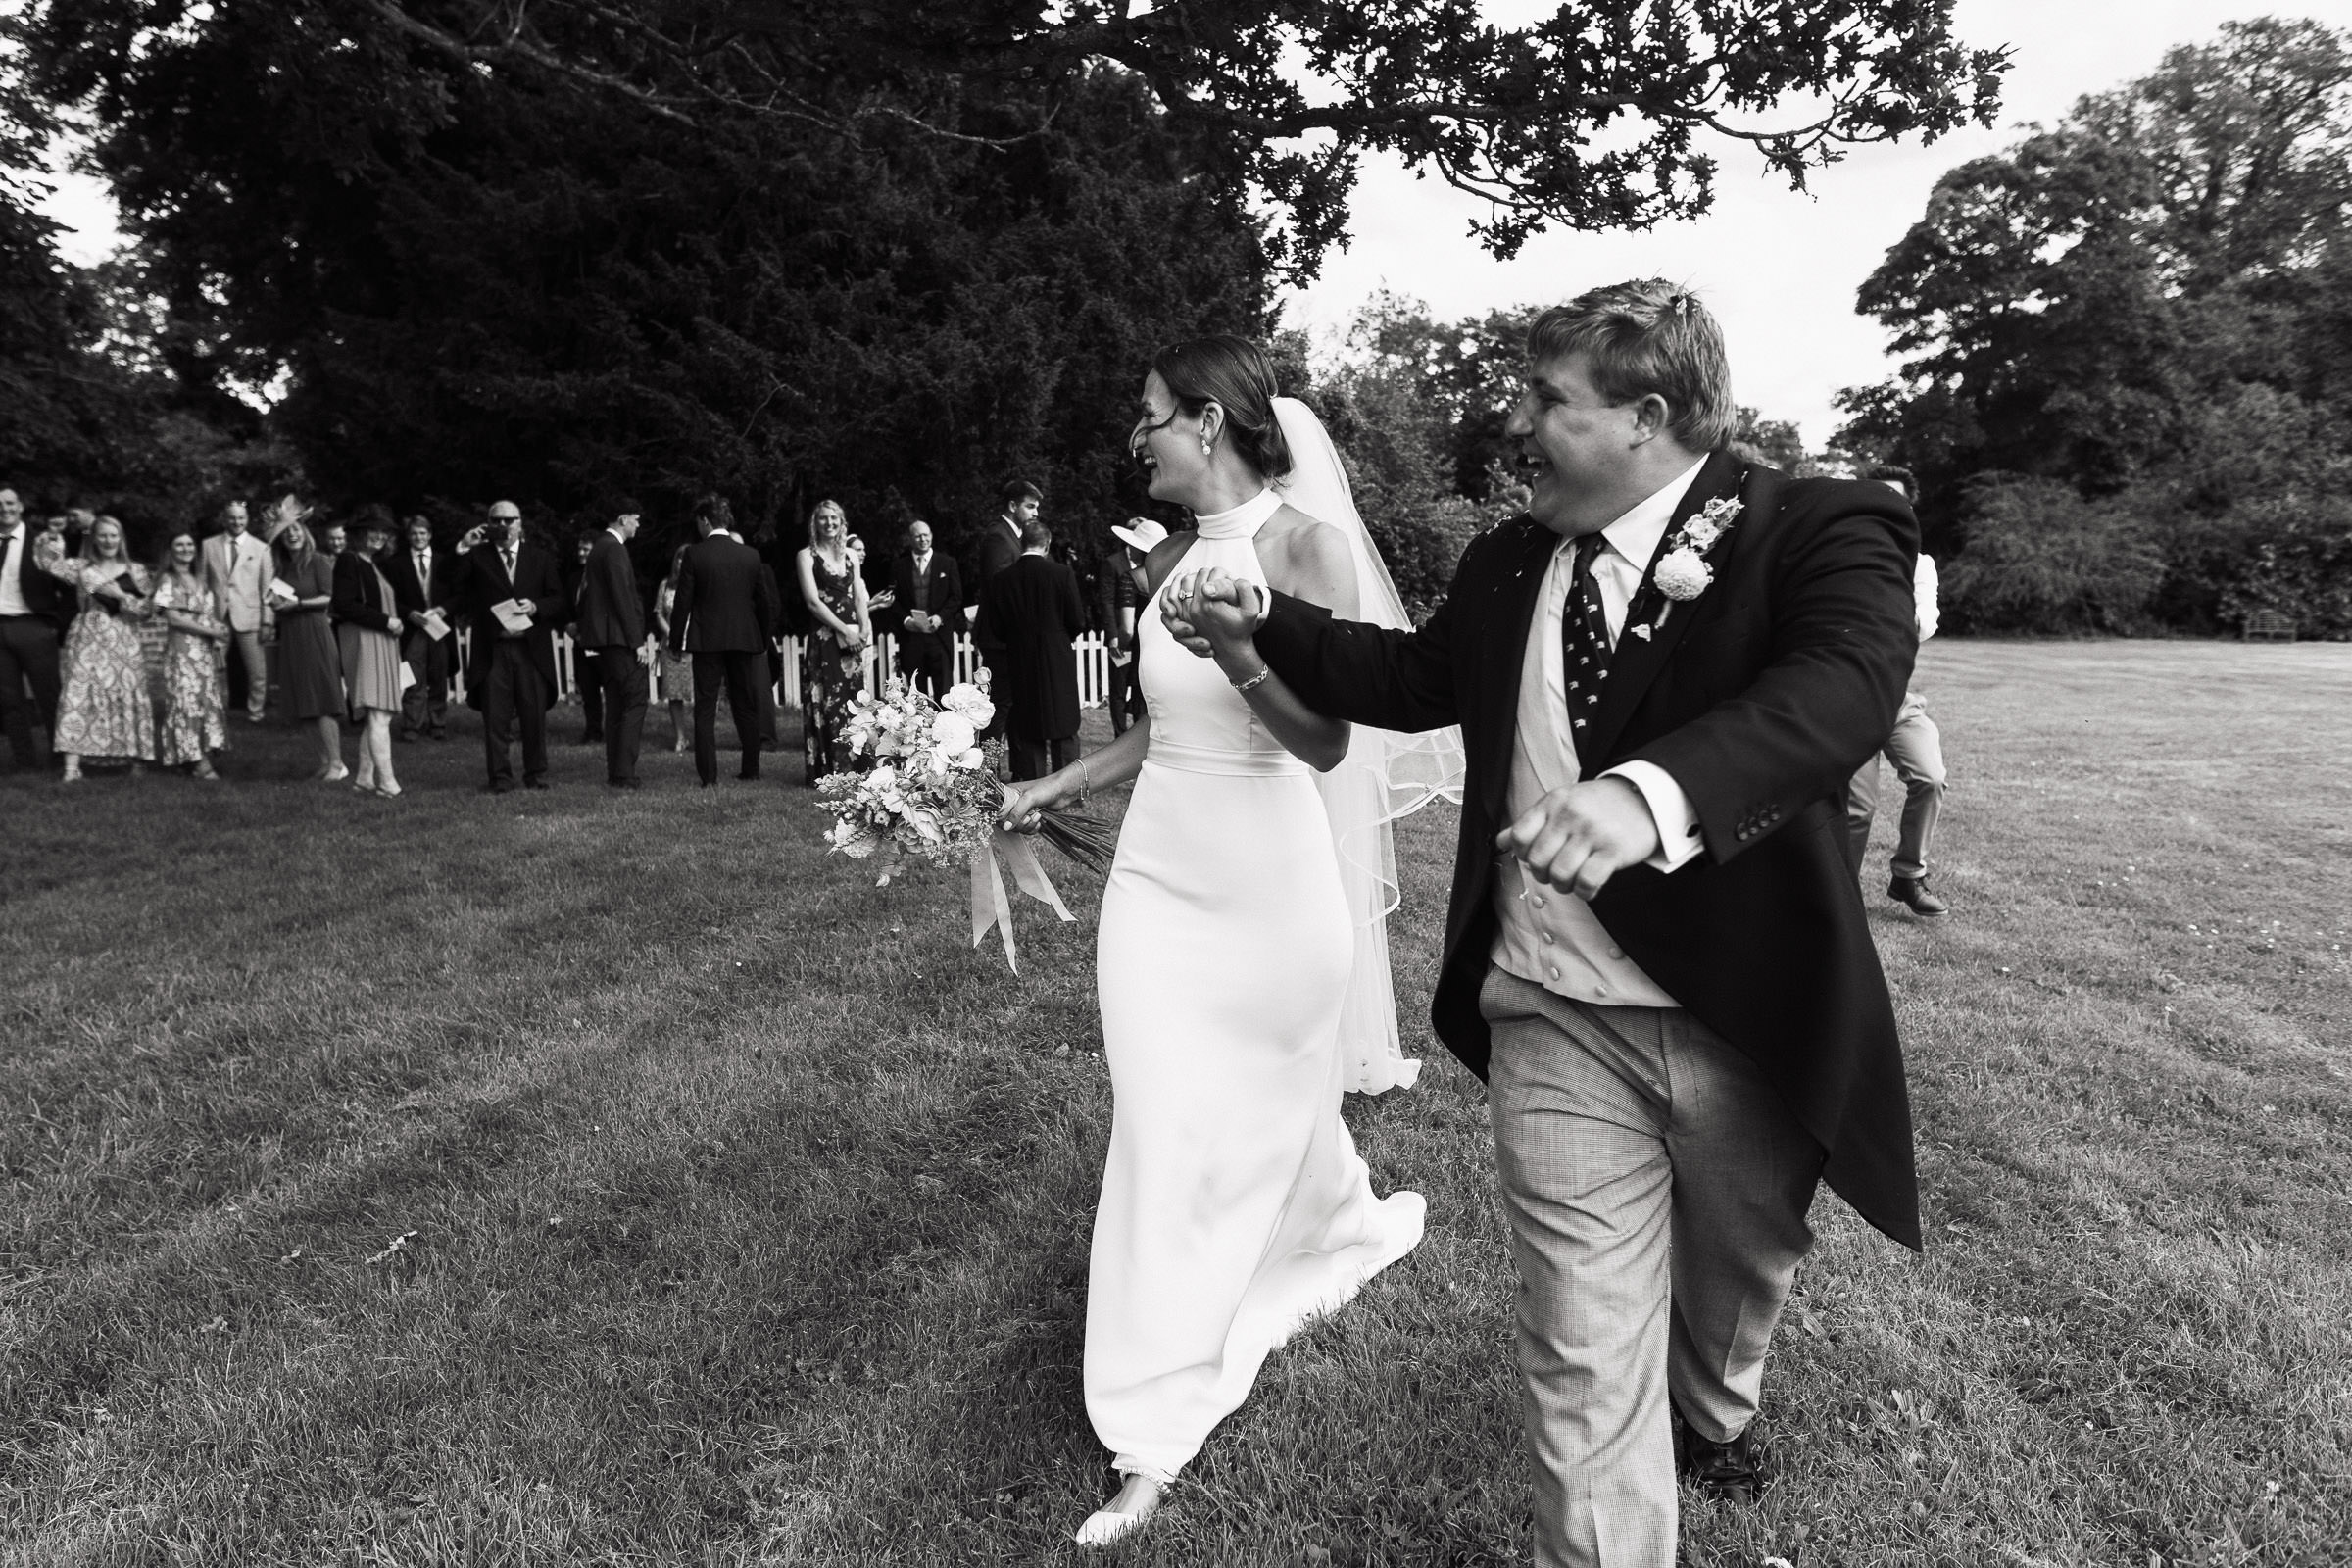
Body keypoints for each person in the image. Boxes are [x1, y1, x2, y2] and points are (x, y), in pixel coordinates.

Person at [1167, 285, 1923, 1568]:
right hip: (1554, 1017)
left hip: (1745, 1015)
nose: (1515, 425)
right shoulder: (1513, 558)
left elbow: (1843, 687)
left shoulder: (1818, 525)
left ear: (1651, 414)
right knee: (1582, 1349)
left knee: (1739, 1277)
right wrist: (1268, 627)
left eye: (1547, 402)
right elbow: (1411, 683)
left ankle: (1714, 1407)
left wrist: (1652, 793)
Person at [1000, 336, 1441, 1547]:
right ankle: (1158, 1396)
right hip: (1158, 879)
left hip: (1270, 883)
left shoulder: (1309, 546)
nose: (1134, 437)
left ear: (1207, 421)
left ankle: (1157, 1426)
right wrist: (1059, 784)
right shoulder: (1171, 560)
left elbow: (1327, 743)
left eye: (1148, 416)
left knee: (1245, 1117)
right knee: (1162, 1120)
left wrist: (1245, 653)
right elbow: (1157, 728)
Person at [1846, 465, 1951, 918]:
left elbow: (1924, 625)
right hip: (1846, 698)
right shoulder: (1836, 555)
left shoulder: (1919, 564)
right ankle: (1841, 893)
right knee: (1856, 809)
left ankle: (1908, 876)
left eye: (1897, 500)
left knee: (1930, 777)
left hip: (1897, 699)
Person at [451, 500, 566, 793]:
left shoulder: (539, 558)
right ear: (488, 523)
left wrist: (536, 606)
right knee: (496, 718)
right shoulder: (477, 557)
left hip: (530, 650)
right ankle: (500, 778)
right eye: (496, 520)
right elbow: (453, 586)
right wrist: (464, 547)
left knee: (533, 716)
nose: (503, 526)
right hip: (494, 650)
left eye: (509, 520)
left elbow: (558, 600)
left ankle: (536, 774)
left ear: (520, 523)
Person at [34, 513, 158, 782]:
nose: (108, 540)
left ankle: (135, 759)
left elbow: (147, 610)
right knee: (79, 695)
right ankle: (71, 768)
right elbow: (47, 563)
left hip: (124, 637)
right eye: (102, 535)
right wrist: (54, 535)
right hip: (88, 636)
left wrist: (122, 596)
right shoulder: (81, 567)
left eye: (113, 535)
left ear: (121, 538)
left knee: (126, 693)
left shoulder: (136, 571)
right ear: (94, 538)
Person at [669, 495, 780, 787]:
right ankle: (751, 769)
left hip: (706, 639)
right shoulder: (750, 555)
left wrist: (675, 641)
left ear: (705, 520)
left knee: (705, 708)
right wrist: (764, 638)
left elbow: (683, 603)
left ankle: (709, 776)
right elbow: (764, 603)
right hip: (744, 639)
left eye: (698, 522)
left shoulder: (695, 554)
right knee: (744, 703)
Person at [977, 517, 1085, 780]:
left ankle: (1031, 782)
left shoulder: (1002, 580)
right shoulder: (1062, 574)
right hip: (1057, 657)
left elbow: (997, 627)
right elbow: (1078, 622)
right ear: (1046, 544)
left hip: (1019, 658)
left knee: (1026, 723)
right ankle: (1068, 786)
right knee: (1064, 721)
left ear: (1022, 543)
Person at [263, 502, 348, 781]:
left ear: (305, 532)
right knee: (303, 703)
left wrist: (298, 603)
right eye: (286, 532)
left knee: (322, 701)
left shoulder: (318, 561)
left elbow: (328, 596)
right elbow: (278, 597)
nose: (292, 535)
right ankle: (323, 762)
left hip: (315, 633)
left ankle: (337, 763)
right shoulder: (282, 567)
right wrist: (276, 605)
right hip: (292, 635)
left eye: (296, 529)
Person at [330, 512, 407, 797]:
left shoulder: (372, 564)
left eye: (383, 531)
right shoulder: (349, 560)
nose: (379, 536)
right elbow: (345, 604)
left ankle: (364, 778)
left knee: (380, 715)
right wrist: (386, 622)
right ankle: (388, 783)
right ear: (359, 533)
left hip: (380, 640)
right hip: (364, 640)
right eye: (372, 530)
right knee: (377, 714)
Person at [793, 498, 868, 782]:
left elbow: (858, 594)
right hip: (825, 636)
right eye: (824, 518)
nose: (829, 523)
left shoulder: (850, 554)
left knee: (853, 699)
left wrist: (862, 629)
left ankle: (857, 767)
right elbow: (813, 602)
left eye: (834, 518)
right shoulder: (806, 556)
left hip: (853, 638)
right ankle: (829, 769)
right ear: (816, 522)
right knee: (827, 698)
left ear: (842, 522)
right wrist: (843, 630)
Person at [573, 504, 649, 788]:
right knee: (635, 699)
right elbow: (622, 598)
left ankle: (616, 771)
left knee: (616, 703)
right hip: (618, 639)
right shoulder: (614, 548)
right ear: (623, 518)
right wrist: (636, 641)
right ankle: (625, 772)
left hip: (604, 640)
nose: (637, 527)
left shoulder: (599, 548)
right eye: (636, 521)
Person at [150, 528, 231, 779]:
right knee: (186, 702)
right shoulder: (167, 580)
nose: (186, 549)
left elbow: (206, 614)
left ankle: (194, 755)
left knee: (204, 701)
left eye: (189, 545)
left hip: (204, 651)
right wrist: (210, 631)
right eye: (179, 545)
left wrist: (217, 630)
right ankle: (198, 761)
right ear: (170, 550)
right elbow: (173, 618)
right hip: (183, 649)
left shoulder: (200, 579)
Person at [0, 486, 69, 772]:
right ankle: (25, 762)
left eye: (10, 502)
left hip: (35, 626)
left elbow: (65, 587)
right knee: (9, 700)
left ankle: (60, 758)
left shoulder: (42, 541)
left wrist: (55, 627)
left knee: (49, 696)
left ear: (21, 506)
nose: (5, 509)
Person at [203, 500, 273, 722]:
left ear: (247, 519)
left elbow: (267, 589)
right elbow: (203, 584)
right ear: (225, 519)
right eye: (232, 517)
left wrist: (267, 621)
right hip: (218, 615)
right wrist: (204, 617)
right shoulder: (208, 545)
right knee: (212, 666)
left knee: (257, 671)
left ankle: (256, 712)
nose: (237, 522)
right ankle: (212, 710)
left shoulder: (261, 548)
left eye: (241, 517)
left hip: (250, 615)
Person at [384, 514, 451, 740]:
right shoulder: (396, 564)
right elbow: (390, 597)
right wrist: (407, 613)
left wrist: (444, 609)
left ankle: (438, 723)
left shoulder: (444, 562)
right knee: (413, 678)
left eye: (423, 533)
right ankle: (412, 725)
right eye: (414, 534)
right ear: (408, 536)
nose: (418, 537)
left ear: (430, 535)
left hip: (439, 627)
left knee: (439, 677)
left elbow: (458, 594)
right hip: (413, 629)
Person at [890, 518, 961, 700]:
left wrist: (940, 617)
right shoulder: (899, 566)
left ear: (931, 536)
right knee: (916, 695)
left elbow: (956, 597)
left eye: (926, 535)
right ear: (910, 539)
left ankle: (944, 728)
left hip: (940, 636)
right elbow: (893, 601)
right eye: (918, 536)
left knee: (944, 694)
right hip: (912, 639)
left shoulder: (947, 563)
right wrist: (906, 621)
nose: (923, 539)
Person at [1104, 516, 1163, 735]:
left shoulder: (1133, 578)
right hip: (1162, 654)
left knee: (1127, 699)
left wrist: (1121, 644)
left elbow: (1128, 628)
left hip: (1137, 651)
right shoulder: (1171, 577)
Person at [653, 543, 695, 753]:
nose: (681, 562)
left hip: (695, 645)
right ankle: (680, 737)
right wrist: (671, 633)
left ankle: (701, 736)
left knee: (696, 693)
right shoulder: (665, 585)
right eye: (679, 558)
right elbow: (658, 612)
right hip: (671, 646)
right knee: (675, 693)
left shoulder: (699, 584)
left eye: (686, 558)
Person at [565, 530, 606, 746]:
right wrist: (569, 625)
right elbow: (567, 605)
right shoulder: (574, 577)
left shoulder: (602, 577)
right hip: (580, 642)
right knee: (588, 689)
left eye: (586, 549)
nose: (581, 553)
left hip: (600, 642)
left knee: (608, 686)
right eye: (579, 549)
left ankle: (614, 729)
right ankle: (593, 730)